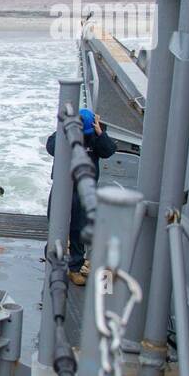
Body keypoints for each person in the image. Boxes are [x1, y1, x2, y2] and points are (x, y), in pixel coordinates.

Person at [46, 108, 117, 286]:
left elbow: (108, 151)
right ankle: (53, 262)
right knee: (55, 222)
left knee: (79, 227)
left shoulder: (96, 133)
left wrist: (100, 134)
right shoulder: (63, 133)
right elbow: (51, 148)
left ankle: (75, 267)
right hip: (63, 185)